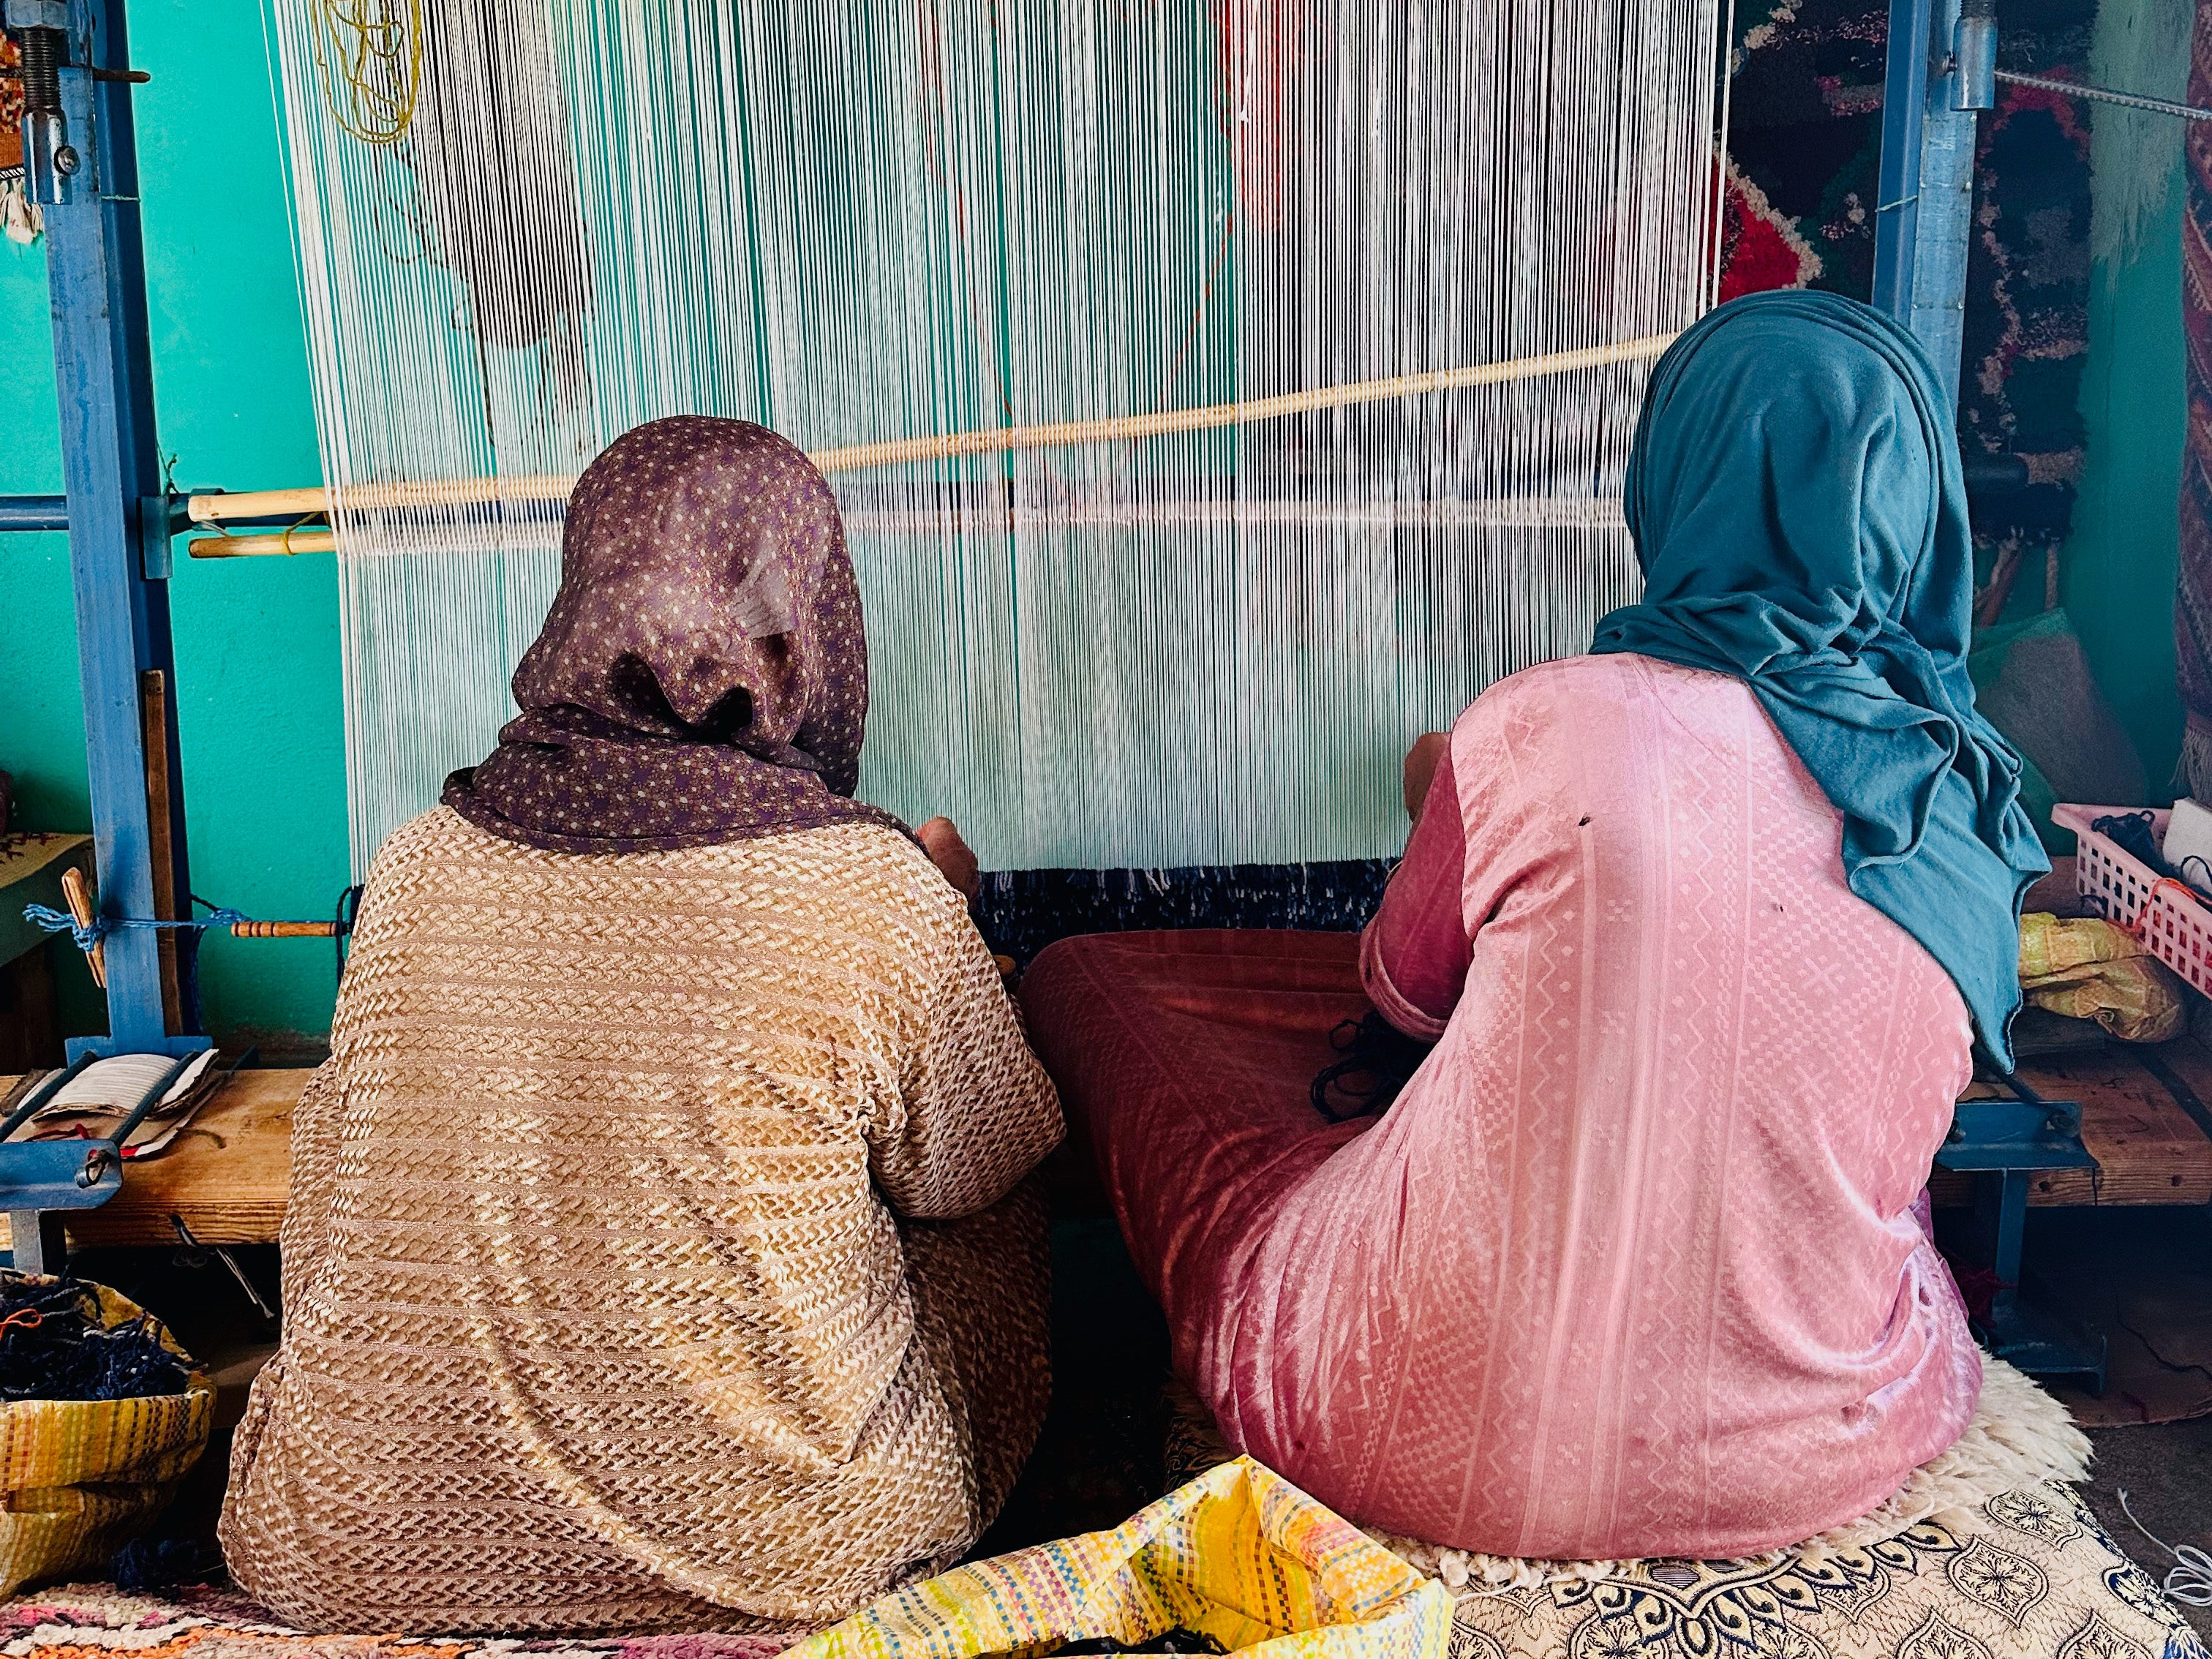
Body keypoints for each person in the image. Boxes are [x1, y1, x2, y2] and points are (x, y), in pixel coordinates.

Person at [1019, 290, 2047, 1562]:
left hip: (1384, 1430)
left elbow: (1401, 998)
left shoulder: (1537, 726)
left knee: (1086, 984)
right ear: (1916, 517)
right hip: (1804, 1463)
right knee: (1899, 1253)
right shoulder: (1970, 816)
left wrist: (1448, 793)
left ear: (1674, 479)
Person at [221, 417, 1064, 1633]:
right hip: (786, 1562)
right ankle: (842, 1499)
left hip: (346, 1549)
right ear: (812, 625)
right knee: (993, 1194)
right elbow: (982, 1155)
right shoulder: (865, 893)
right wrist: (946, 920)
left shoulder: (415, 865)